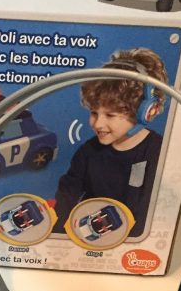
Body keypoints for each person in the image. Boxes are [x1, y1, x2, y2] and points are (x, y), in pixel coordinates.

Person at [52, 48, 167, 238]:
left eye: (110, 115)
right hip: (89, 232)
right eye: (94, 113)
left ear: (146, 112)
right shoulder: (88, 152)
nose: (98, 124)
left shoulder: (158, 153)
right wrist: (56, 237)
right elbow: (67, 195)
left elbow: (150, 215)